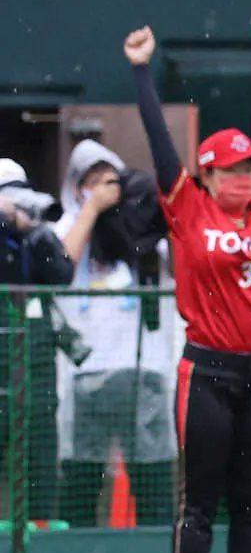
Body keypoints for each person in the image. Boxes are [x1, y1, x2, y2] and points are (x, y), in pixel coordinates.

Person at [124, 10, 251, 553]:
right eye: (232, 170)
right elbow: (160, 143)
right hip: (207, 373)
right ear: (209, 175)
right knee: (201, 503)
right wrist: (141, 72)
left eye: (249, 169)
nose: (245, 178)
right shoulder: (187, 203)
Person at [53, 141, 179, 528]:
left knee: (153, 479)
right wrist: (92, 209)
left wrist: (160, 215)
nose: (104, 187)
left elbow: (178, 265)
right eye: (92, 180)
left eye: (110, 179)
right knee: (82, 478)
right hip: (85, 374)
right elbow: (59, 267)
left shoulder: (142, 227)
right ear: (77, 188)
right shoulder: (68, 226)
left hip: (145, 370)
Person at [0, 161, 75, 518]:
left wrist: (38, 235)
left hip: (37, 359)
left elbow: (63, 275)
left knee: (40, 445)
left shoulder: (37, 237)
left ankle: (41, 527)